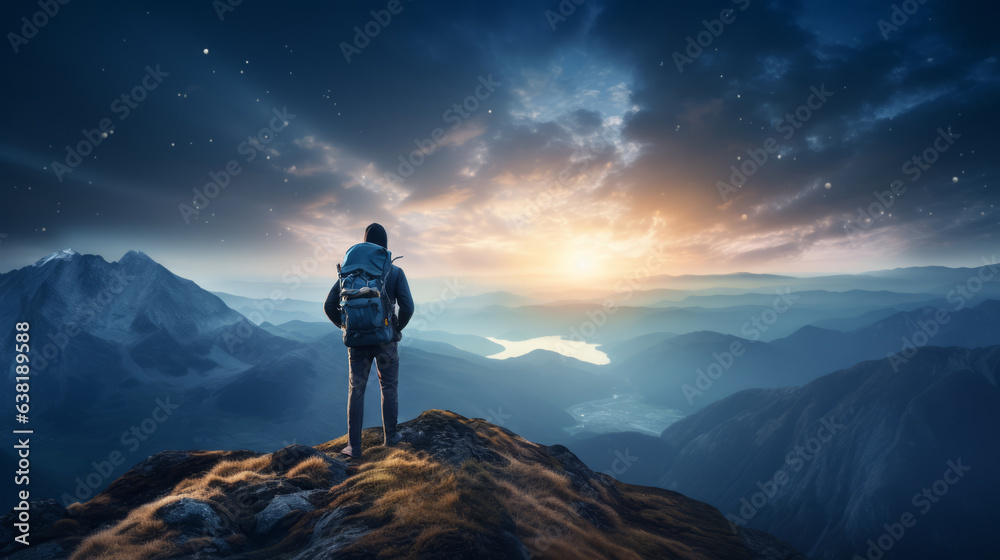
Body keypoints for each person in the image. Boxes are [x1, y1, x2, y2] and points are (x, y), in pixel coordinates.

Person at [324, 223, 414, 459]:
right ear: (385, 245)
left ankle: (354, 447)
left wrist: (346, 326)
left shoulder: (350, 272)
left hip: (357, 342)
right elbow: (408, 307)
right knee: (389, 388)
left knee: (356, 391)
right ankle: (391, 438)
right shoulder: (394, 272)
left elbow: (328, 305)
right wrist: (396, 329)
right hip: (386, 340)